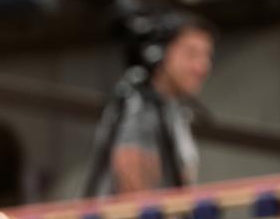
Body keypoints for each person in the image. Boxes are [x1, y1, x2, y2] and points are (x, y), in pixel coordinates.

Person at [92, 14, 214, 196]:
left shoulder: (170, 109)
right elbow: (136, 196)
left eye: (207, 55)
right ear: (160, 52)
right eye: (191, 54)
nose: (203, 66)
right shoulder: (142, 108)